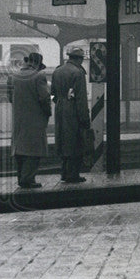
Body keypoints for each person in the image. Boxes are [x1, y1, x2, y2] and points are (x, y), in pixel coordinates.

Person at [11, 52, 52, 189]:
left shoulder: (14, 76)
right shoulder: (38, 76)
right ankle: (28, 179)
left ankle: (21, 178)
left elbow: (10, 97)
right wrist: (48, 112)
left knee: (20, 150)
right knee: (34, 150)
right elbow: (44, 98)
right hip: (35, 118)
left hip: (19, 119)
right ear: (37, 64)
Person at [51, 46, 91, 183]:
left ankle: (64, 172)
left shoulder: (57, 71)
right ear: (79, 59)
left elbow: (52, 94)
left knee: (62, 140)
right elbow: (81, 99)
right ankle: (73, 174)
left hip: (60, 108)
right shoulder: (78, 73)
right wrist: (85, 118)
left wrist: (60, 102)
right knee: (76, 141)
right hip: (73, 110)